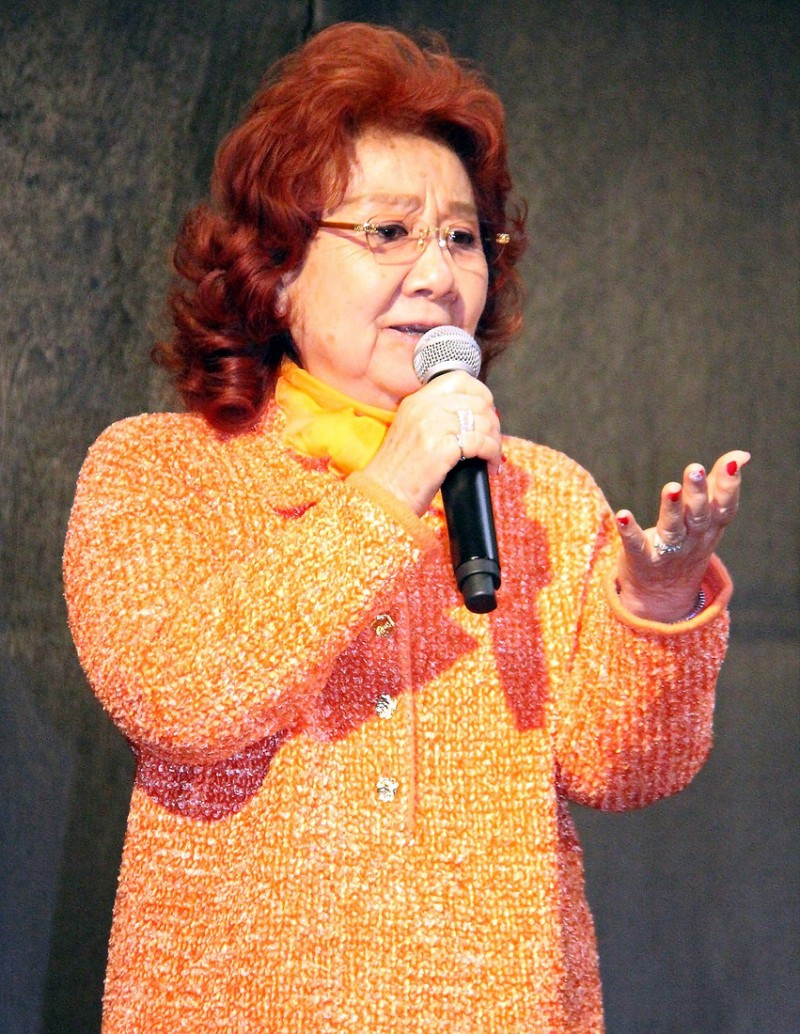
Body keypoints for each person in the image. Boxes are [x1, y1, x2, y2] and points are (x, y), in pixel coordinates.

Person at [63, 21, 748, 1033]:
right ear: (275, 267)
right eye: (389, 232)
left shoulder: (544, 496)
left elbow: (625, 766)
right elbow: (180, 695)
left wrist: (656, 602)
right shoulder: (157, 469)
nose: (438, 273)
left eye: (462, 237)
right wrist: (392, 484)